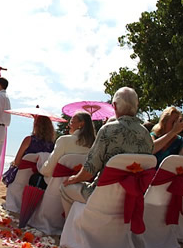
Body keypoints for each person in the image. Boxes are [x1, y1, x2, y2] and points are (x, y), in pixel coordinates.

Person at [60, 87, 153, 216]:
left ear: (114, 106)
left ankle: (73, 227)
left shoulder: (107, 130)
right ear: (136, 106)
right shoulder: (146, 135)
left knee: (65, 188)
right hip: (130, 197)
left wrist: (74, 178)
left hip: (101, 196)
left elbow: (89, 171)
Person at [38, 111, 95, 183]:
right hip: (82, 187)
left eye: (71, 122)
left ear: (81, 124)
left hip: (58, 185)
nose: (68, 125)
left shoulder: (64, 140)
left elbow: (49, 168)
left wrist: (40, 168)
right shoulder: (95, 145)